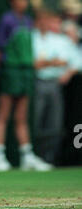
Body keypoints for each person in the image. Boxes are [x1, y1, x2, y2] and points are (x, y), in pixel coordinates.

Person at [0, 0, 52, 171]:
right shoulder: (7, 20)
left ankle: (27, 156)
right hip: (11, 72)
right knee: (3, 114)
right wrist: (1, 73)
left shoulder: (27, 20)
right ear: (12, 0)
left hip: (26, 73)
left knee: (21, 116)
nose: (24, 2)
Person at [32, 9, 80, 165]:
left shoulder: (60, 40)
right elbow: (35, 64)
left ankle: (49, 158)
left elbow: (71, 61)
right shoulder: (31, 37)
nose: (47, 24)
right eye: (44, 21)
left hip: (54, 84)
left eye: (50, 21)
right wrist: (53, 63)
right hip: (37, 83)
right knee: (36, 121)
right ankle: (34, 157)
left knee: (55, 124)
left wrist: (62, 69)